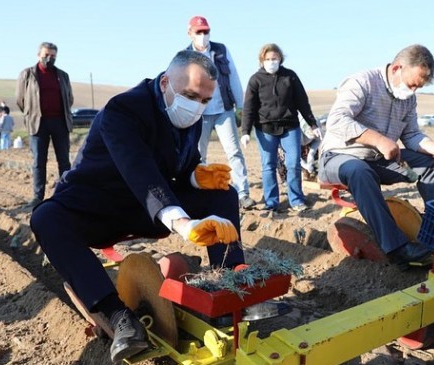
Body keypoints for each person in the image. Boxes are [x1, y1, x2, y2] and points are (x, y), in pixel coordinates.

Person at [30, 50, 245, 362]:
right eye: (189, 95)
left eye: (204, 100)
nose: (196, 107)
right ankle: (119, 318)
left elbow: (179, 169)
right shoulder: (124, 110)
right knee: (45, 217)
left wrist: (199, 178)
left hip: (146, 210)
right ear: (164, 83)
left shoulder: (188, 115)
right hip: (100, 206)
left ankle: (231, 291)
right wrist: (184, 224)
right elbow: (139, 171)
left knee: (224, 195)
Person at [318, 44, 434, 269]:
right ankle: (398, 249)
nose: (413, 91)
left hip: (377, 158)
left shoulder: (408, 99)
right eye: (412, 84)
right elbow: (337, 120)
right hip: (339, 156)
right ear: (397, 68)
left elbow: (413, 136)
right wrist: (379, 140)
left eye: (419, 87)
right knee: (359, 170)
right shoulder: (362, 82)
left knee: (430, 163)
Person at [185, 16, 256, 210]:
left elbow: (233, 76)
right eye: (198, 32)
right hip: (199, 114)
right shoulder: (184, 56)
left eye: (205, 32)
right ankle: (200, 193)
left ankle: (243, 194)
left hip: (224, 110)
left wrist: (241, 107)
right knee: (199, 156)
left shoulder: (221, 50)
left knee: (234, 152)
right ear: (190, 33)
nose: (202, 36)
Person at [241, 43, 321, 212]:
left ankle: (296, 200)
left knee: (293, 164)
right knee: (268, 165)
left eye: (274, 59)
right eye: (268, 59)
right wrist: (245, 132)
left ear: (280, 59)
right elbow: (248, 107)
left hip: (290, 127)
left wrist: (313, 124)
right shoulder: (255, 80)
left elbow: (302, 102)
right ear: (262, 60)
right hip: (265, 129)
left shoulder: (290, 77)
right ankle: (272, 203)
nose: (271, 62)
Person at [16, 42, 74, 208]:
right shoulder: (27, 74)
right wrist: (31, 113)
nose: (49, 58)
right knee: (38, 162)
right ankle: (37, 197)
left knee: (64, 161)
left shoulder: (62, 75)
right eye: (46, 55)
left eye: (53, 56)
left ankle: (65, 194)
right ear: (38, 55)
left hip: (60, 122)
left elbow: (69, 98)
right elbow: (20, 99)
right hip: (38, 123)